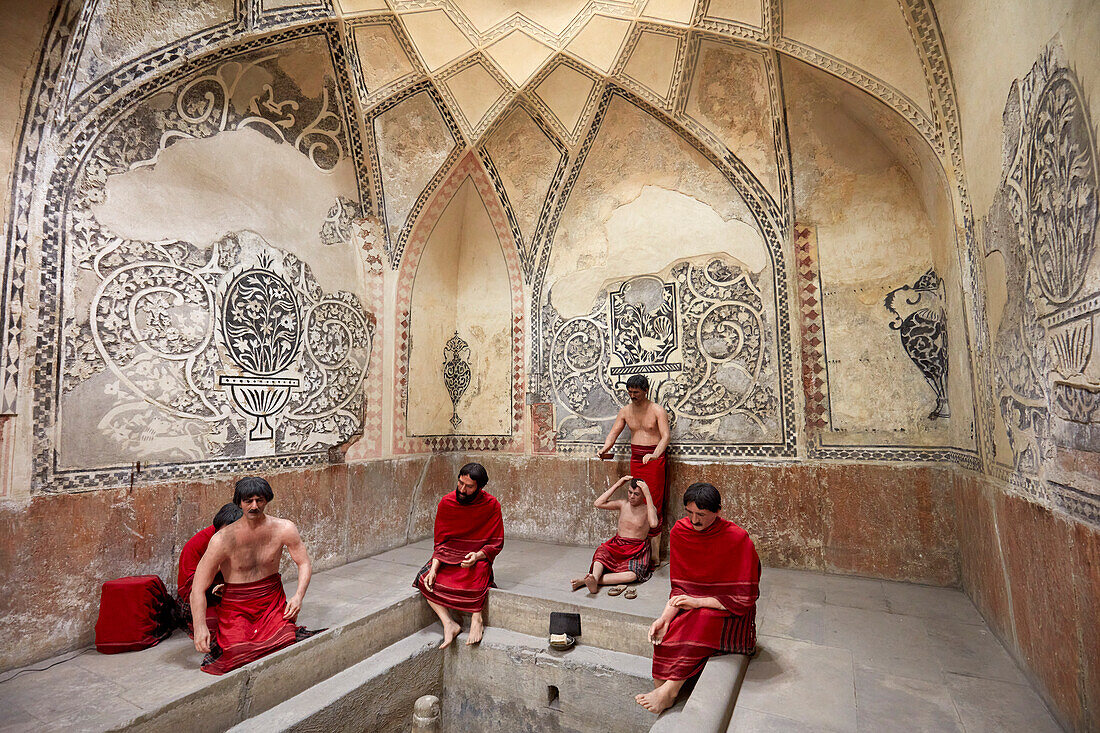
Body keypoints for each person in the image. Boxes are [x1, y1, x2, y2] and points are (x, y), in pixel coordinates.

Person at [635, 482, 760, 714]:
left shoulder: (738, 539)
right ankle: (663, 691)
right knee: (667, 635)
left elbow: (745, 598)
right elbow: (680, 589)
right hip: (693, 603)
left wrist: (699, 602)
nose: (694, 520)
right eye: (689, 513)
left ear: (718, 511)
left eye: (701, 514)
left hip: (730, 609)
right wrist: (664, 618)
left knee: (703, 620)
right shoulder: (680, 533)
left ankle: (670, 691)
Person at [190, 476, 319, 675]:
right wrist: (200, 627)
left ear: (267, 500)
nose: (254, 506)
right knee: (237, 652)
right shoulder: (222, 539)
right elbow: (198, 588)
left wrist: (298, 596)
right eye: (248, 501)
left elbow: (304, 563)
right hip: (237, 607)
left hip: (271, 601)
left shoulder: (284, 528)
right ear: (239, 502)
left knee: (285, 640)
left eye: (259, 500)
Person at [413, 462, 504, 649]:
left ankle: (477, 618)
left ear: (480, 487)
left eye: (469, 486)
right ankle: (448, 623)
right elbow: (441, 543)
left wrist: (478, 556)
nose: (462, 489)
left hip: (475, 558)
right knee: (425, 579)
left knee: (477, 576)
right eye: (460, 483)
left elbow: (496, 542)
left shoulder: (491, 505)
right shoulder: (446, 503)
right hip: (448, 557)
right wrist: (434, 568)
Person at [596, 374, 671, 564]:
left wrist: (655, 454)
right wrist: (605, 448)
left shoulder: (657, 410)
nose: (632, 395)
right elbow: (613, 433)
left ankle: (655, 555)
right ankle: (637, 549)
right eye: (630, 392)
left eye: (636, 392)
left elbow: (665, 437)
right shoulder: (625, 411)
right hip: (636, 459)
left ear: (645, 391)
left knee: (653, 503)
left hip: (654, 460)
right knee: (636, 500)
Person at [571, 475, 658, 594]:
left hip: (637, 550)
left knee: (632, 576)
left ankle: (587, 580)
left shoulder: (648, 509)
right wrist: (618, 484)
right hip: (618, 544)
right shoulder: (623, 504)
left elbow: (653, 524)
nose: (632, 497)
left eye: (636, 494)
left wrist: (648, 494)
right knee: (601, 552)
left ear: (643, 495)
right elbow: (598, 503)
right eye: (630, 492)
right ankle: (594, 580)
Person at [176, 502, 243, 635]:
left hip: (233, 593)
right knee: (220, 629)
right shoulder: (196, 545)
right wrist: (214, 568)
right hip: (205, 598)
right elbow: (189, 589)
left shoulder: (245, 538)